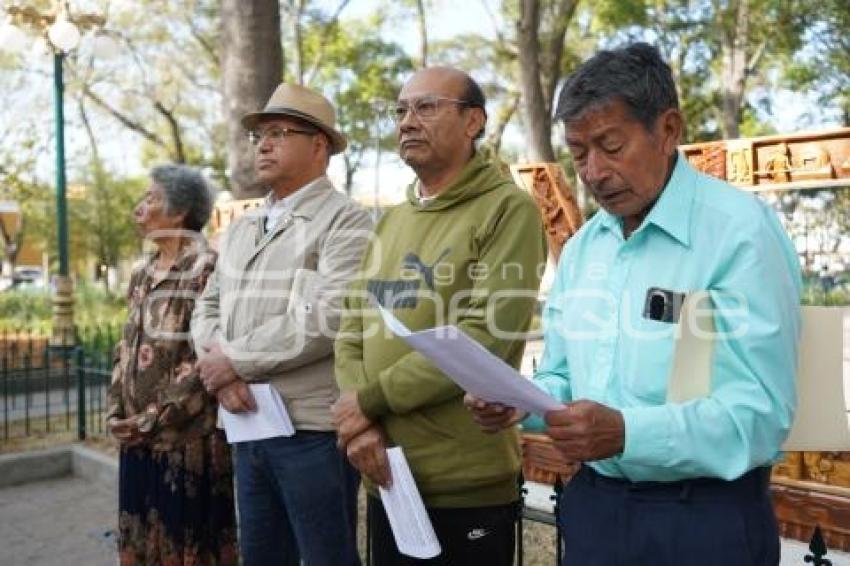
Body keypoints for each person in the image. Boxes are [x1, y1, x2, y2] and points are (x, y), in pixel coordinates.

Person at [466, 43, 802, 565]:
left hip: (703, 521)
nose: (594, 172)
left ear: (668, 130)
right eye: (579, 154)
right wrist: (521, 402)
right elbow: (561, 378)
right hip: (596, 510)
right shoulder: (582, 251)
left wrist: (626, 432)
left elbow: (757, 415)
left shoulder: (738, 234)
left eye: (611, 145)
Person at [333, 67, 547, 565]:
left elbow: (482, 336)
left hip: (463, 483)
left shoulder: (507, 210)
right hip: (383, 469)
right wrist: (362, 425)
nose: (407, 121)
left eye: (426, 107)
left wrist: (369, 401)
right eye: (401, 110)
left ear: (474, 121)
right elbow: (349, 328)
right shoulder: (392, 219)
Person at [191, 83, 372, 566]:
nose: (263, 144)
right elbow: (206, 307)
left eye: (279, 132)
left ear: (319, 146)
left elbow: (330, 315)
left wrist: (234, 363)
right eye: (259, 136)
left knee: (325, 557)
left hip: (311, 432)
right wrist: (219, 370)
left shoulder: (347, 222)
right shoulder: (243, 227)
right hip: (247, 424)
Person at [107, 164, 237, 565]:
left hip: (186, 442)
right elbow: (126, 346)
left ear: (180, 211)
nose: (139, 208)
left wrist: (150, 419)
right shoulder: (142, 273)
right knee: (142, 542)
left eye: (151, 199)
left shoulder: (206, 268)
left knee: (187, 546)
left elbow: (206, 360)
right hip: (138, 442)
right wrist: (116, 410)